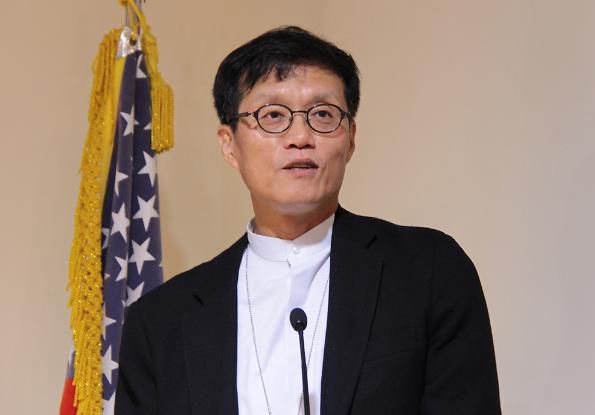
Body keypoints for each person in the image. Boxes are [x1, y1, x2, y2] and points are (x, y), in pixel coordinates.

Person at [115, 26, 501, 415]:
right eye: (273, 115)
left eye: (322, 115)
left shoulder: (428, 271)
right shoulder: (160, 321)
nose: (300, 136)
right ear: (229, 145)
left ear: (350, 139)